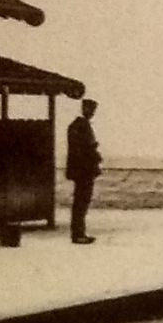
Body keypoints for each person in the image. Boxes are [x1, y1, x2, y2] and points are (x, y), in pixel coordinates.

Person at [64, 98, 101, 244]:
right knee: (81, 202)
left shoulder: (77, 125)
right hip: (84, 171)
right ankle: (78, 234)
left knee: (81, 202)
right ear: (85, 109)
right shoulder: (81, 126)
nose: (92, 113)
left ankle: (79, 233)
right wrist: (94, 154)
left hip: (81, 170)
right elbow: (83, 149)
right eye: (91, 110)